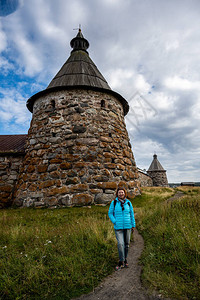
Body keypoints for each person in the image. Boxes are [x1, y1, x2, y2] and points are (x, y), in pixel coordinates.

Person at [108, 187, 136, 270]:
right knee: (120, 244)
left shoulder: (128, 203)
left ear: (125, 193)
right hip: (118, 227)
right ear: (117, 194)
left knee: (127, 245)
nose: (121, 194)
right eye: (119, 192)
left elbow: (132, 214)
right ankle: (121, 261)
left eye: (122, 192)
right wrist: (115, 221)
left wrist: (133, 225)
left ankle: (125, 259)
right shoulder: (114, 203)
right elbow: (110, 213)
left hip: (128, 226)